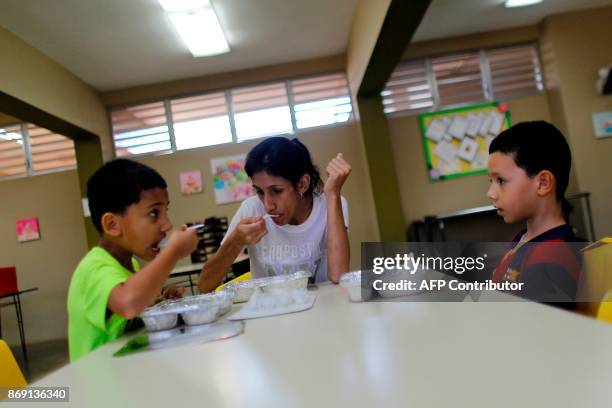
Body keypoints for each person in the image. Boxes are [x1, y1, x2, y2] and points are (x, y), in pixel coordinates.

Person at [67, 159, 198, 361]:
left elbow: (128, 313)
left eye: (166, 211)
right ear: (112, 225)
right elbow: (127, 303)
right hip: (97, 382)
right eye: (154, 213)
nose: (167, 225)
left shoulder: (131, 264)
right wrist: (173, 251)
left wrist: (157, 302)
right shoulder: (93, 268)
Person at [199, 137, 351, 292]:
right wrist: (236, 240)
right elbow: (205, 285)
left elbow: (338, 277)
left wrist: (333, 195)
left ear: (302, 184)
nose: (267, 205)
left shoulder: (331, 204)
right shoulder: (251, 208)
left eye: (276, 191)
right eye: (259, 191)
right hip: (269, 313)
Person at [487, 121, 582, 307]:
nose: (490, 193)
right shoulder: (523, 239)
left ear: (543, 183)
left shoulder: (551, 258)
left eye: (501, 181)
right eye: (490, 181)